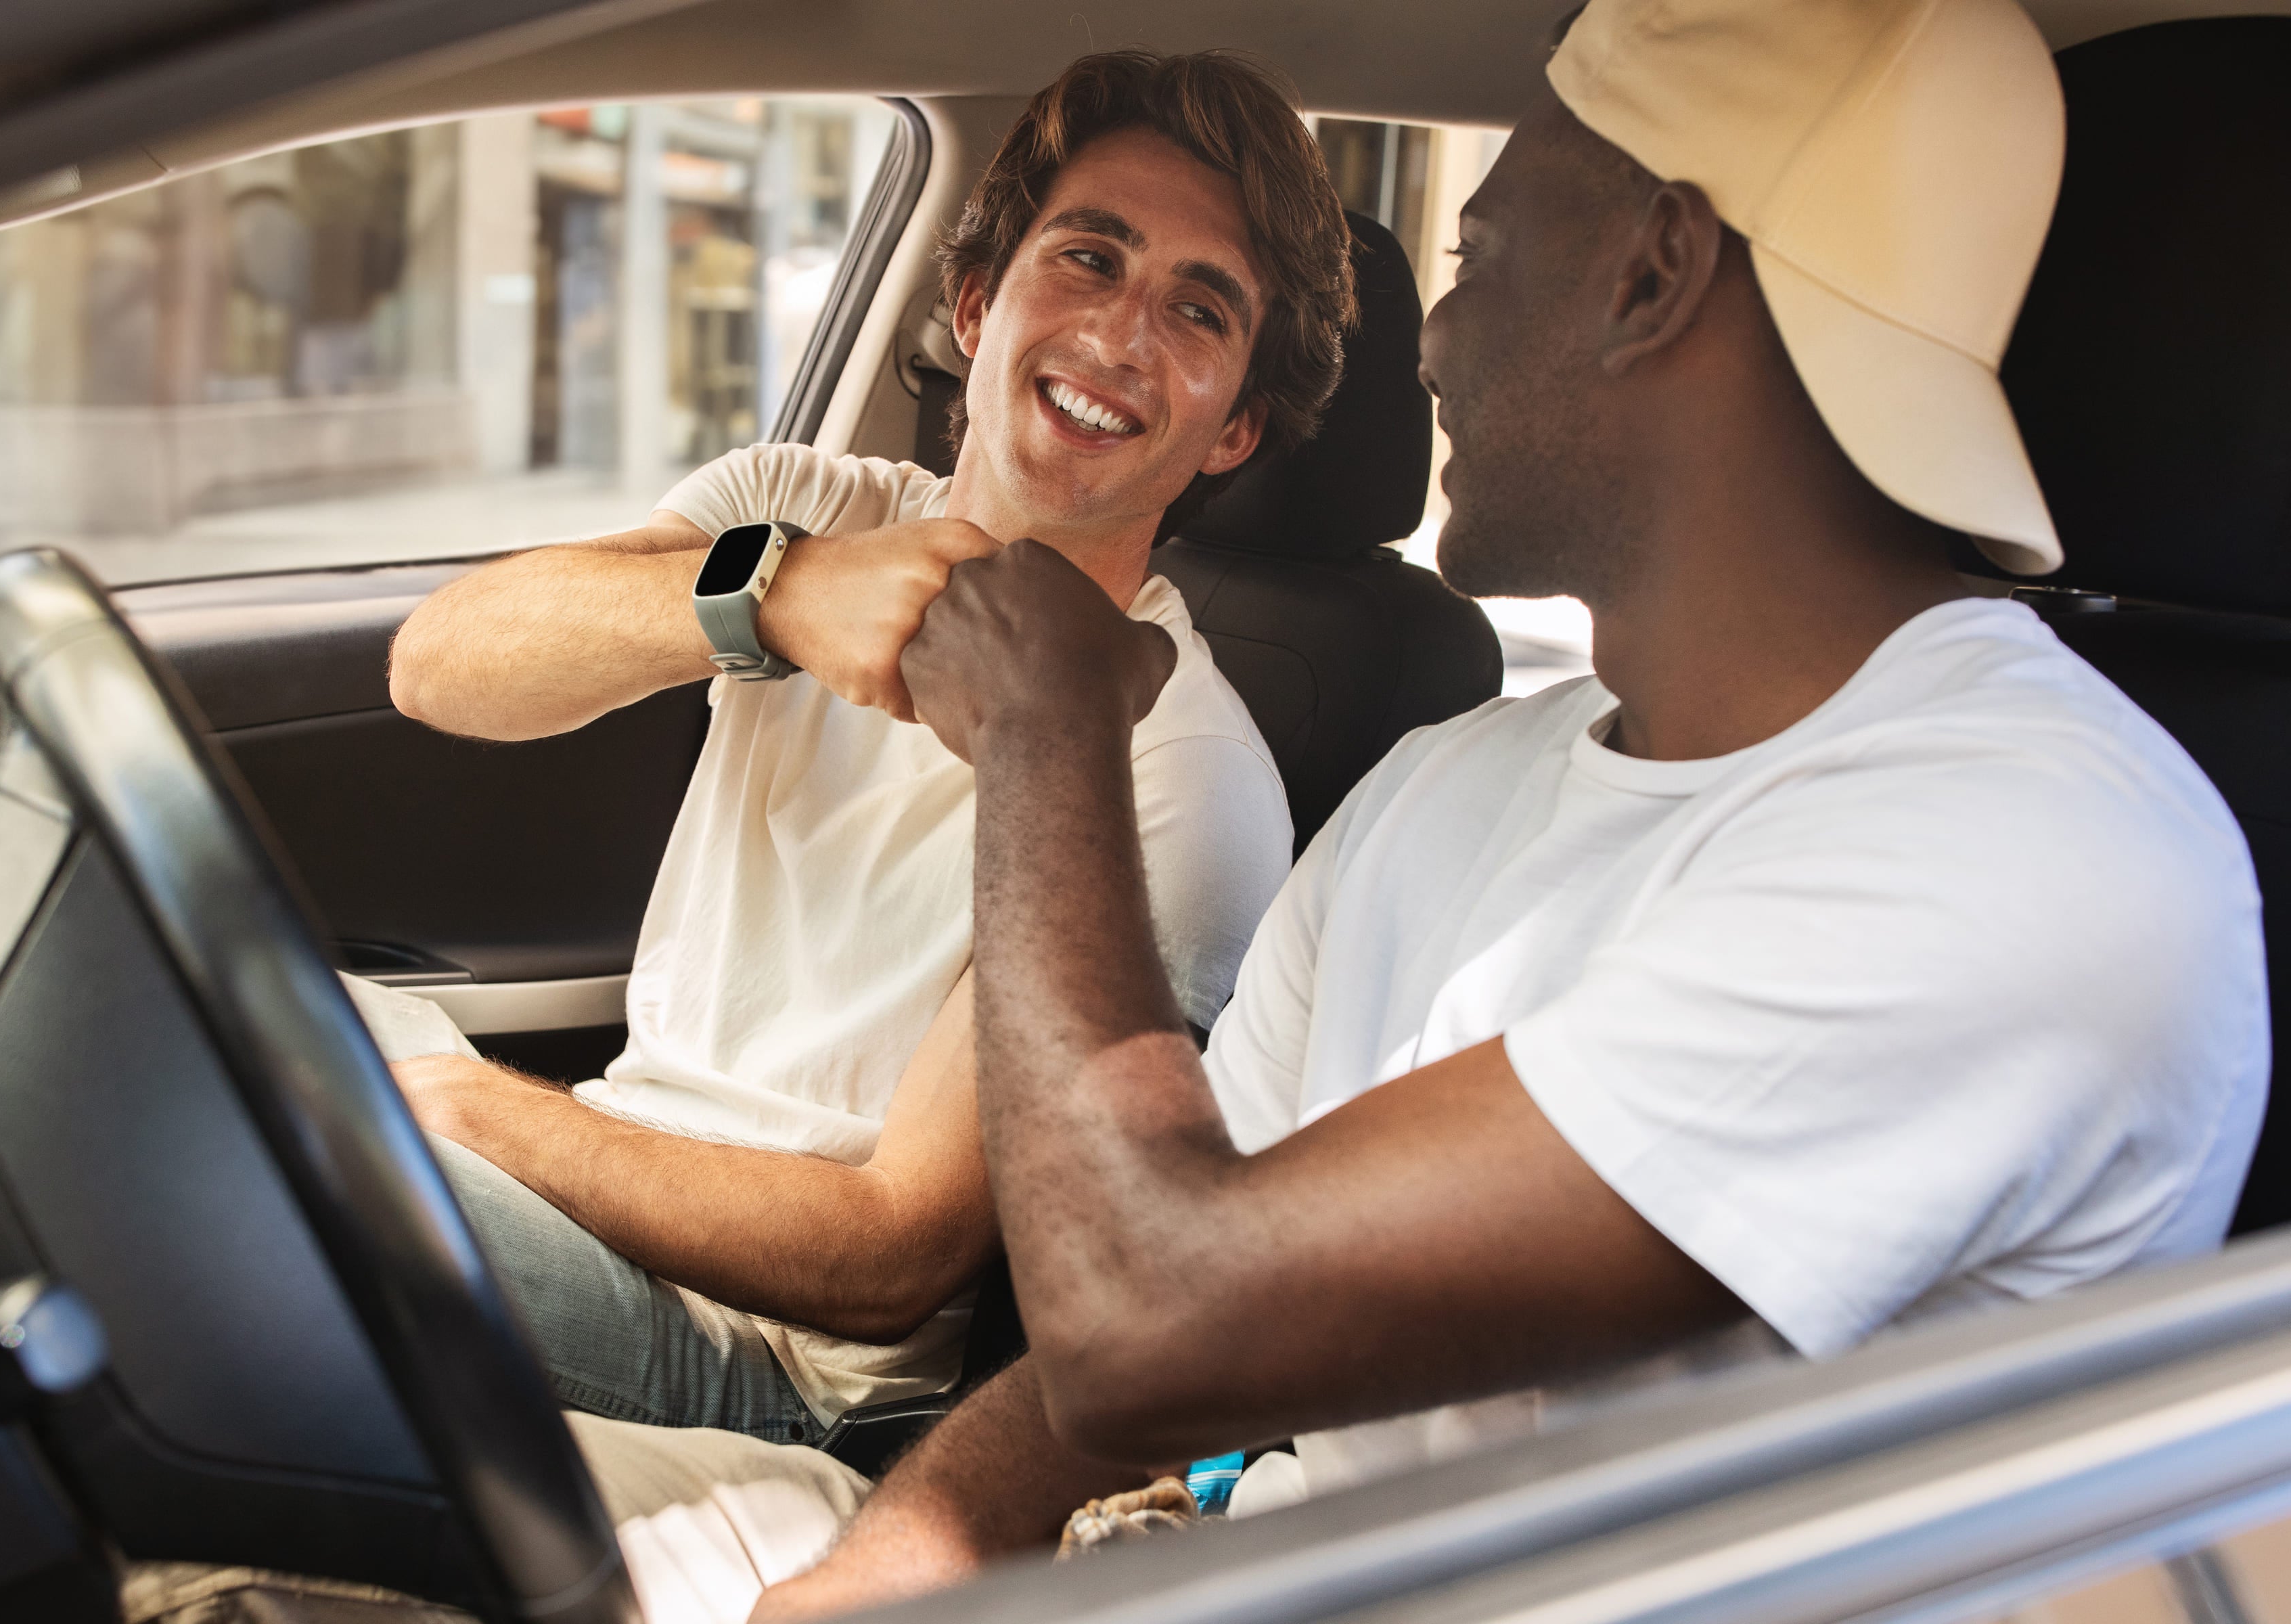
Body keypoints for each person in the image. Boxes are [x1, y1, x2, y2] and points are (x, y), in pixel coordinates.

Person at [735, 0, 2268, 1612]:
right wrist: (869, 1579)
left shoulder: (2025, 855)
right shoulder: (1443, 784)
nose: (1432, 342)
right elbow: (1106, 1376)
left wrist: (1053, 726)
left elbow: (1146, 1319)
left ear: (1651, 273)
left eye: (1476, 259)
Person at [365, 50, 1346, 1455]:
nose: (1122, 337)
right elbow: (439, 669)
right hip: (596, 1192)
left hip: (762, 1362)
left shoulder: (1181, 777)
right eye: (1085, 257)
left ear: (1233, 424)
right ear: (974, 304)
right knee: (196, 1002)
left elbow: (893, 1257)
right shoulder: (797, 503)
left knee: (240, 1164)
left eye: (1197, 310)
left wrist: (482, 1115)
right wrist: (761, 596)